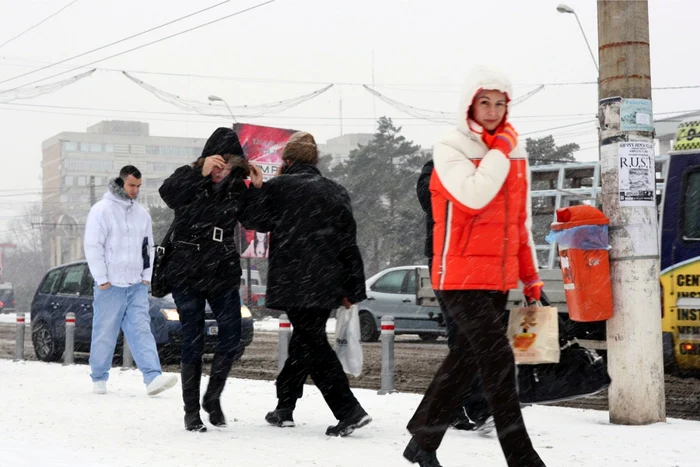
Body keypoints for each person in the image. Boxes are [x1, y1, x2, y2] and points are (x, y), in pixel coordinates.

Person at [404, 66, 547, 467]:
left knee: (465, 360)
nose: (492, 110)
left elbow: (519, 222)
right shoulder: (450, 147)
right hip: (458, 275)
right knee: (498, 359)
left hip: (497, 278)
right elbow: (474, 196)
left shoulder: (514, 152)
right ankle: (522, 457)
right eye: (485, 102)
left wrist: (531, 277)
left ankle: (423, 440)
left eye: (500, 103)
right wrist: (500, 150)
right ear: (470, 103)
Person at [239, 131, 372, 437]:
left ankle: (348, 410)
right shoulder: (335, 190)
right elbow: (348, 242)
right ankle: (284, 407)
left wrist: (256, 189)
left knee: (313, 344)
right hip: (327, 283)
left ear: (286, 160)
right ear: (315, 161)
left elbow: (254, 221)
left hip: (295, 281)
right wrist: (352, 288)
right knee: (304, 340)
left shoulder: (279, 188)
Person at [158, 128, 250, 432]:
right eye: (220, 159)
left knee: (232, 335)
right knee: (193, 340)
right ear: (209, 155)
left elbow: (257, 219)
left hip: (222, 268)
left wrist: (260, 189)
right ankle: (191, 412)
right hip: (187, 268)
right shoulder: (188, 175)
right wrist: (201, 173)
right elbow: (168, 194)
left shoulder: (237, 185)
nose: (224, 166)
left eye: (230, 161)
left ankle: (213, 396)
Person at [84, 165, 178, 397]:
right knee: (105, 332)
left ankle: (152, 377)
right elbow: (93, 245)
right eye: (131, 185)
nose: (135, 190)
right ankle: (99, 378)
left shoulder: (142, 214)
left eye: (138, 186)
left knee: (141, 330)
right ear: (121, 182)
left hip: (136, 285)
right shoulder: (101, 210)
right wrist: (102, 278)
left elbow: (148, 247)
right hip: (110, 285)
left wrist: (146, 277)